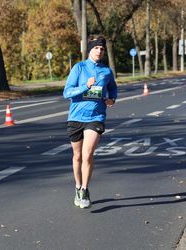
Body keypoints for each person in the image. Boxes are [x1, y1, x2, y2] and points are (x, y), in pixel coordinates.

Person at [63, 35, 117, 209]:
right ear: (90, 50)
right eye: (96, 48)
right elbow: (67, 92)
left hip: (96, 117)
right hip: (76, 117)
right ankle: (78, 187)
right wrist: (85, 86)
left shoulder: (106, 71)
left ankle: (85, 189)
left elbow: (113, 87)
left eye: (101, 49)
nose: (99, 51)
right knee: (77, 156)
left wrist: (112, 99)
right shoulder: (79, 68)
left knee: (87, 155)